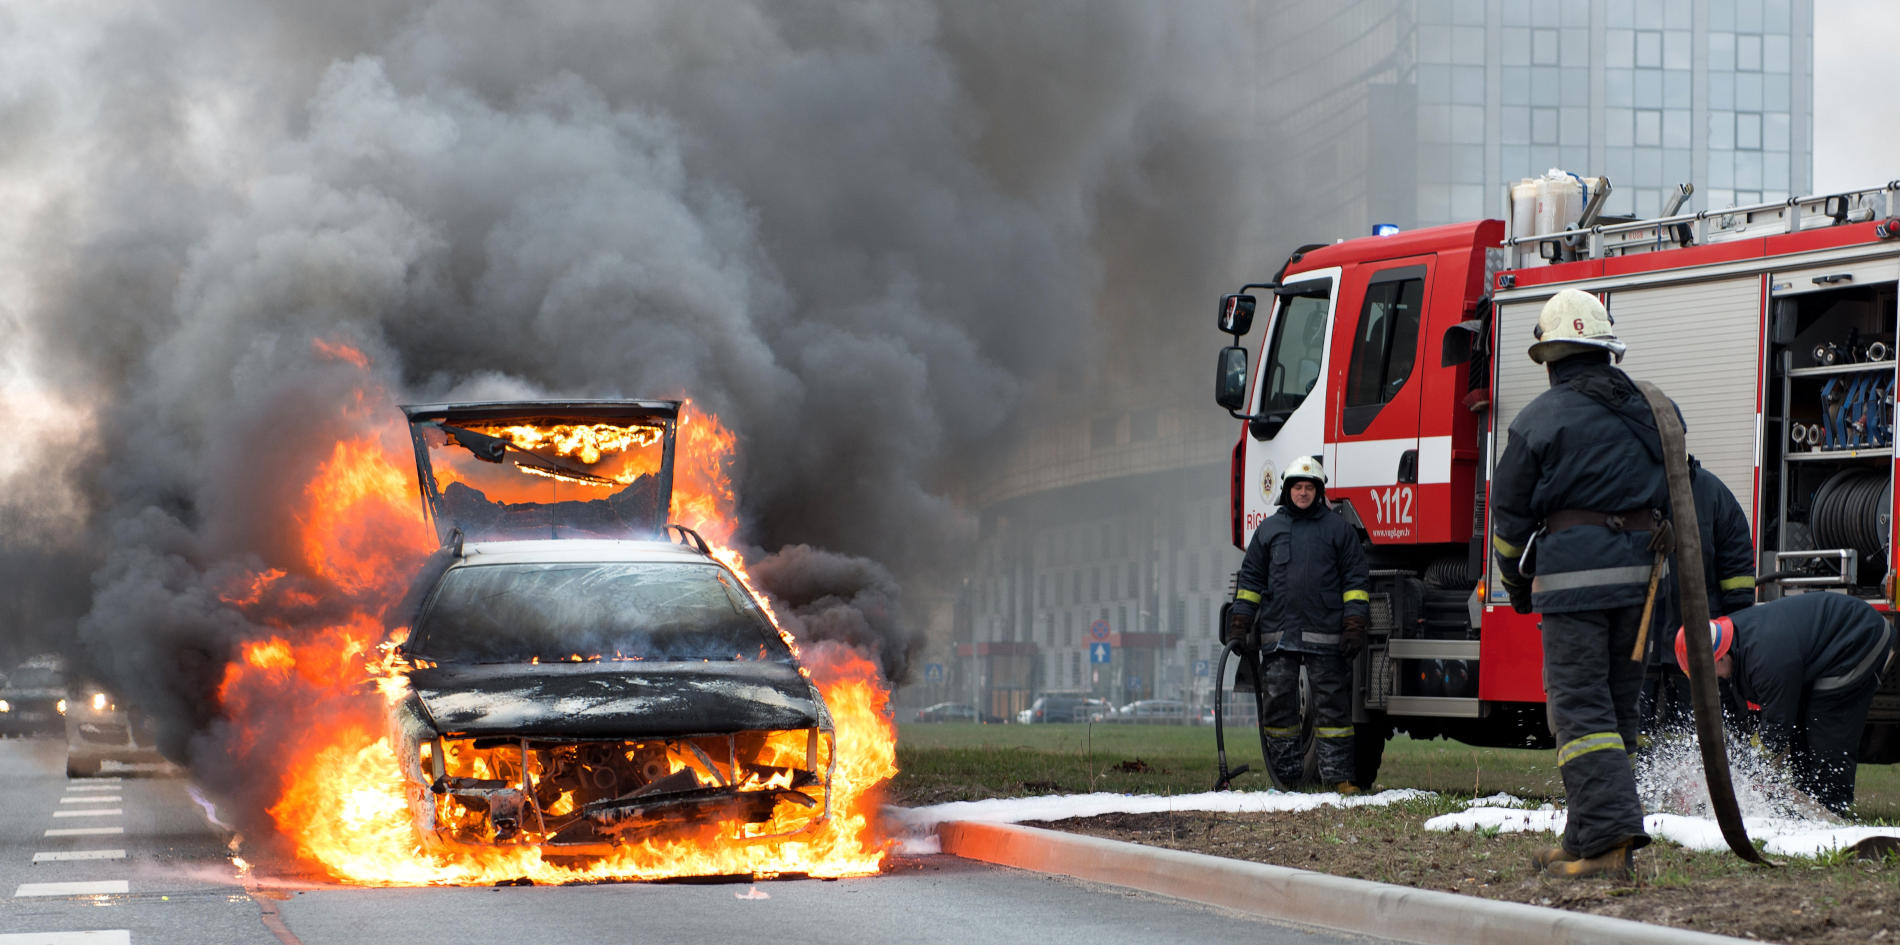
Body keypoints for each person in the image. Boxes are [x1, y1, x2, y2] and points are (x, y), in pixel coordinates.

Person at [1490, 288, 1677, 879]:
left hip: (1573, 586)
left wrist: (1517, 589)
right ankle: (1583, 835)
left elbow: (1509, 516)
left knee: (1579, 712)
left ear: (1550, 358)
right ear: (1604, 350)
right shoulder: (1653, 407)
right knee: (1617, 710)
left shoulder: (1538, 419)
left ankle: (1608, 844)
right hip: (1645, 586)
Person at [1223, 456, 1370, 793]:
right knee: (1278, 706)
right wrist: (1241, 621)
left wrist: (1353, 625)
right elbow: (1251, 580)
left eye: (1309, 487)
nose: (1303, 493)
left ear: (1319, 492)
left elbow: (1355, 581)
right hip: (1279, 636)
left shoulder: (1338, 530)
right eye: (1297, 487)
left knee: (1333, 710)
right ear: (1287, 490)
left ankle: (1340, 779)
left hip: (1327, 636)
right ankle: (1286, 778)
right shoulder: (1269, 530)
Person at [1675, 593, 1897, 813]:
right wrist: (1733, 755)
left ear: (1720, 657)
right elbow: (1735, 714)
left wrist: (1749, 769)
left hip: (1858, 637)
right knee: (1800, 730)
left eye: (1708, 673)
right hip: (1823, 650)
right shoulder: (1731, 646)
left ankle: (1832, 812)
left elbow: (1777, 724)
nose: (1712, 679)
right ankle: (1808, 806)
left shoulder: (1765, 660)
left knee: (1825, 729)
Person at [1639, 458, 1756, 733]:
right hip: (1646, 646)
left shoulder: (1712, 493)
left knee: (1703, 732)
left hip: (1702, 644)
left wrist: (1730, 637)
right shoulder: (1634, 491)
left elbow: (1738, 573)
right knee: (1639, 733)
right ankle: (1638, 776)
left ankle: (1710, 776)